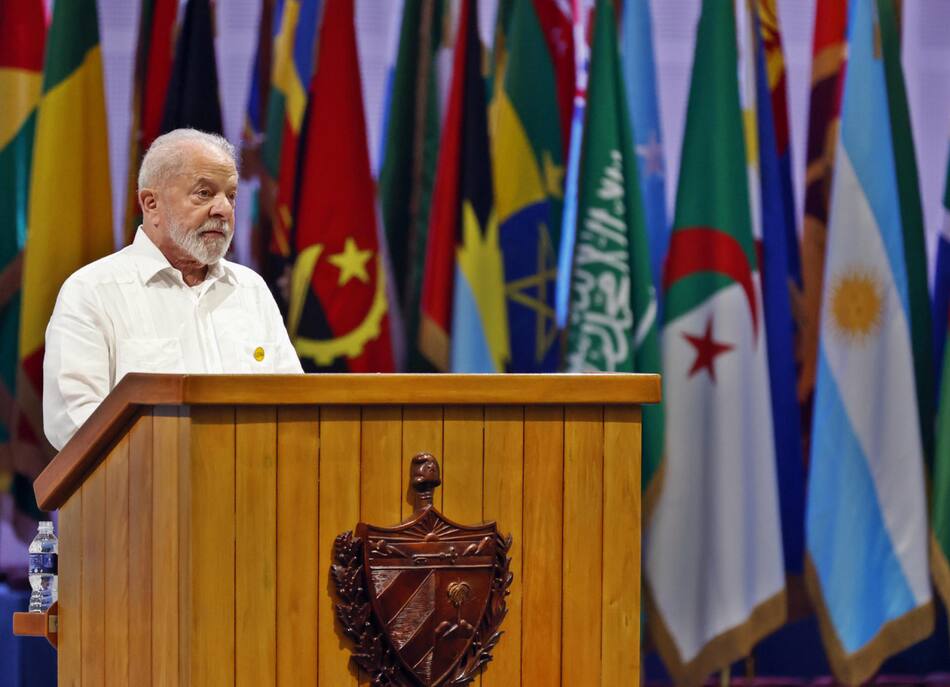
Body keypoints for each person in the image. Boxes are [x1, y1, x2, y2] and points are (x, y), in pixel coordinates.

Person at [43, 128, 303, 451]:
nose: (223, 210)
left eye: (231, 195)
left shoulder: (251, 290)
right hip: (142, 496)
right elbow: (72, 423)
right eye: (204, 193)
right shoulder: (92, 292)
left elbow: (296, 406)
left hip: (253, 492)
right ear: (151, 204)